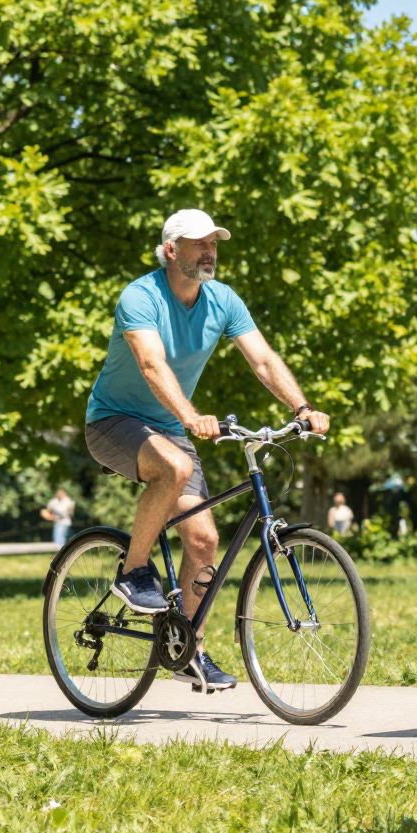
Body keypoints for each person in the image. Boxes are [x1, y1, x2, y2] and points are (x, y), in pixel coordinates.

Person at [83, 208, 332, 692]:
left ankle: (187, 648)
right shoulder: (140, 296)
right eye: (199, 244)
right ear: (171, 250)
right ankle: (133, 571)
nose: (210, 251)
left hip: (170, 427)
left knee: (203, 542)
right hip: (114, 422)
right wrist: (191, 417)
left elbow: (262, 359)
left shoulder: (223, 300)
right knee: (174, 466)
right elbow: (152, 366)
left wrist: (302, 406)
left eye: (214, 243)